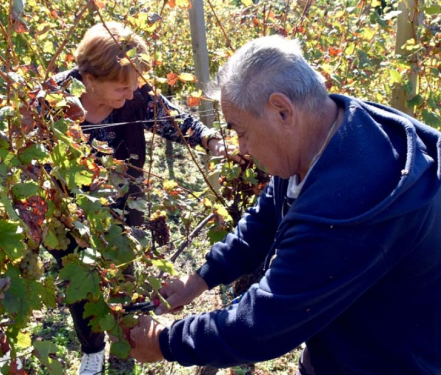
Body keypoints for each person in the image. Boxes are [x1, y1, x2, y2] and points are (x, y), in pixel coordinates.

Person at [128, 35, 441, 374]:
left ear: (282, 111)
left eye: (241, 131)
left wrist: (166, 342)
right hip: (346, 338)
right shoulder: (330, 129)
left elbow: (264, 324)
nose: (241, 147)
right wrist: (201, 279)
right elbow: (265, 219)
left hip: (386, 361)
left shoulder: (346, 211)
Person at [48, 21, 228, 375]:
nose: (131, 96)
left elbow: (171, 118)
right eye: (121, 88)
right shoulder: (52, 100)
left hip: (124, 203)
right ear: (89, 79)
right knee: (79, 281)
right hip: (67, 212)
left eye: (134, 87)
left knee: (123, 272)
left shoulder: (136, 95)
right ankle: (92, 349)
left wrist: (209, 139)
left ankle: (125, 336)